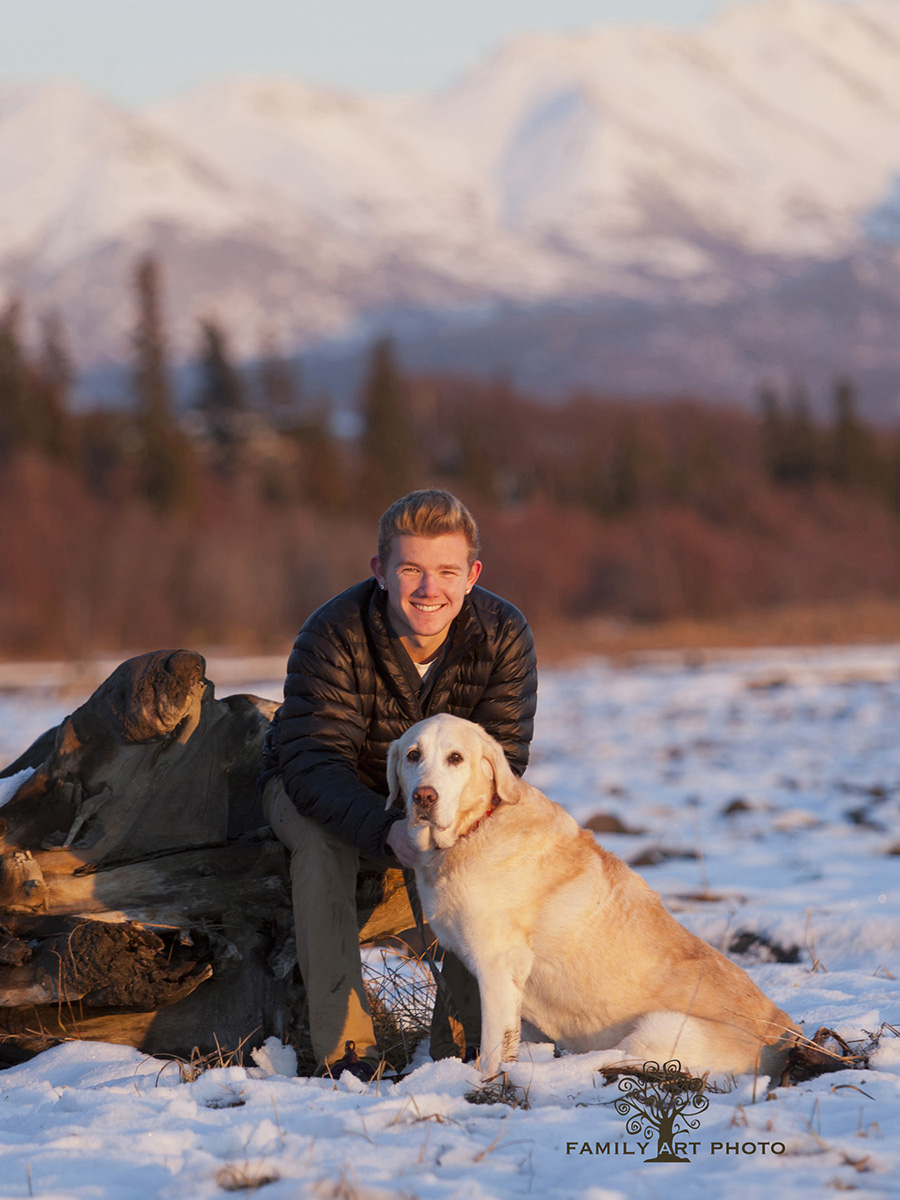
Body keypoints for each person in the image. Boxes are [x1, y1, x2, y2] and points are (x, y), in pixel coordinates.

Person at [259, 489, 537, 1077]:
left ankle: (461, 1049)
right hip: (318, 790)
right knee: (322, 845)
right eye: (410, 569)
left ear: (472, 575)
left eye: (446, 572)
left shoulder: (504, 635)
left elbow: (501, 759)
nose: (428, 589)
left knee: (480, 845)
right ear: (380, 571)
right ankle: (347, 1052)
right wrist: (388, 828)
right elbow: (313, 766)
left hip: (438, 801)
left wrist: (440, 827)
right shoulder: (332, 634)